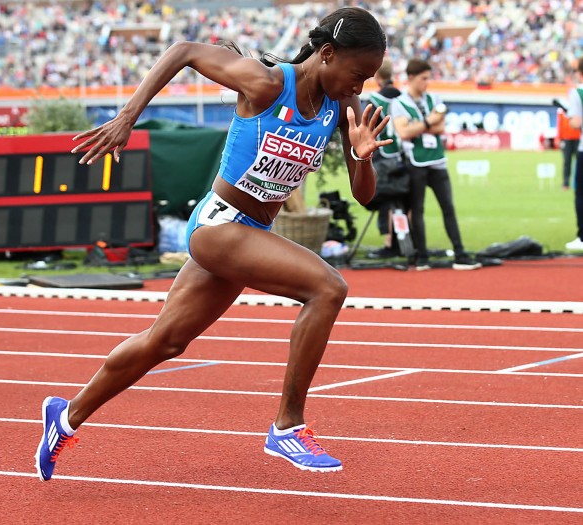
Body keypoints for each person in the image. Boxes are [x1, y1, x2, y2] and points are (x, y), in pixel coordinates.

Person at [35, 6, 391, 479]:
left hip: (250, 235)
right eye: (358, 73)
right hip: (220, 225)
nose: (361, 86)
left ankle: (65, 415)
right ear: (327, 54)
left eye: (368, 78)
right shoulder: (266, 83)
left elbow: (364, 196)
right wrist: (127, 118)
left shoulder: (344, 110)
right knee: (328, 288)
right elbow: (183, 51)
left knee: (164, 342)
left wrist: (362, 157)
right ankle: (287, 426)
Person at [391, 59, 481, 271]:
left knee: (448, 207)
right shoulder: (399, 103)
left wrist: (420, 126)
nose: (427, 83)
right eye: (424, 78)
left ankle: (460, 253)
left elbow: (440, 127)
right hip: (416, 161)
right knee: (418, 210)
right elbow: (404, 132)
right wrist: (429, 122)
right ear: (411, 78)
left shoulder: (434, 98)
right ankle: (422, 257)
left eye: (429, 78)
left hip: (437, 160)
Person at [366, 58, 406, 259]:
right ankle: (407, 241)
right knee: (404, 200)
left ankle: (389, 243)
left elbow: (367, 127)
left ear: (378, 76)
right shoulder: (404, 97)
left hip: (384, 154)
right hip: (404, 155)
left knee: (385, 199)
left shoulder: (375, 100)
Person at [565, 57, 583, 252]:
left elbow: (576, 123)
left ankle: (582, 236)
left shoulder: (577, 92)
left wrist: (570, 118)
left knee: (581, 193)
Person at [556, 105, 580, 190]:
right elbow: (560, 124)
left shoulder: (578, 108)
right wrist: (559, 137)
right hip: (566, 139)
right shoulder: (561, 110)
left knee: (580, 162)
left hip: (578, 138)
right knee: (567, 162)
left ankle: (579, 183)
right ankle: (566, 183)